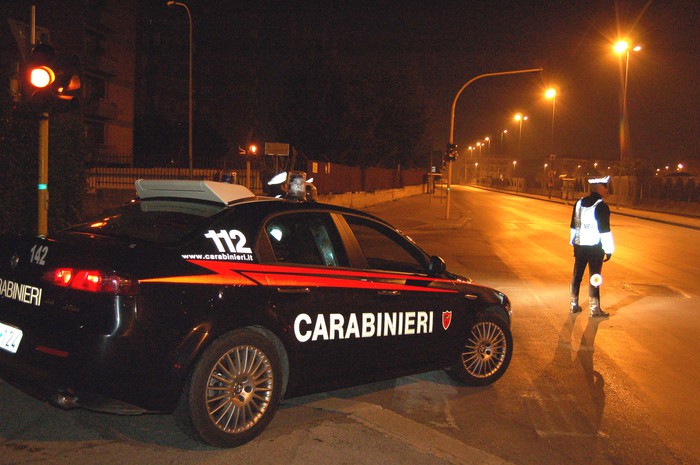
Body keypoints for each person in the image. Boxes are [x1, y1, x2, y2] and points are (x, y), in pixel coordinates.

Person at [569, 176, 614, 317]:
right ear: (599, 188)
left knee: (577, 276)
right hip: (595, 249)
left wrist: (573, 243)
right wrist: (608, 250)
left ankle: (573, 305)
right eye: (606, 187)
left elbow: (573, 226)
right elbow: (604, 231)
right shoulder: (601, 206)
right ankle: (594, 309)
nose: (607, 190)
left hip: (580, 247)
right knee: (595, 277)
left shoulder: (579, 203)